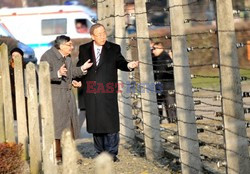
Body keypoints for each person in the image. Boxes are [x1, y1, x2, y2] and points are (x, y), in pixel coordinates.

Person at [77, 23, 139, 162]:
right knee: (96, 123)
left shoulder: (113, 48)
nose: (102, 36)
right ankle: (100, 152)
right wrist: (77, 79)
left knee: (110, 123)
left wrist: (129, 65)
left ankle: (111, 153)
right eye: (99, 34)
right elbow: (80, 67)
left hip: (107, 91)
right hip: (91, 91)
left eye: (104, 33)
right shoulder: (84, 48)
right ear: (92, 36)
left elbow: (121, 62)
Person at [40, 35, 93, 164]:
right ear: (62, 45)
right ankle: (57, 157)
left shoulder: (67, 57)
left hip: (68, 95)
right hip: (55, 96)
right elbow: (42, 75)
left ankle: (69, 156)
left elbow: (70, 72)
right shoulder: (47, 56)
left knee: (70, 126)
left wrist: (82, 69)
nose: (72, 47)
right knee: (57, 127)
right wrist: (57, 74)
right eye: (69, 45)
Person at [151, 42, 177, 123]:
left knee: (170, 105)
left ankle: (173, 121)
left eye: (154, 49)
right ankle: (159, 121)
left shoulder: (166, 57)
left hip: (168, 85)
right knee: (158, 105)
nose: (153, 51)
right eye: (152, 49)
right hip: (159, 86)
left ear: (160, 48)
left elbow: (165, 72)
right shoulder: (154, 58)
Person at [9, 48, 24, 120]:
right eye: (13, 55)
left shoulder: (26, 67)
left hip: (24, 96)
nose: (15, 57)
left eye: (17, 55)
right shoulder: (8, 69)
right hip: (11, 98)